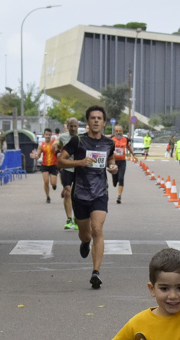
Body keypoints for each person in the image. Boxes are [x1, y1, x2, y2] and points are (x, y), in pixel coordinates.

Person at [59, 105, 117, 289]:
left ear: (104, 122)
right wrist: (80, 162)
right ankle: (85, 243)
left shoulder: (109, 143)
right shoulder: (78, 141)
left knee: (97, 229)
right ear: (88, 121)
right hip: (80, 194)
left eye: (99, 118)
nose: (96, 121)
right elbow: (60, 160)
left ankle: (96, 272)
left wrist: (113, 167)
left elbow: (111, 159)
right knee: (86, 234)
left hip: (100, 193)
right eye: (93, 118)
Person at [57, 118, 80, 231]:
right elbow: (59, 148)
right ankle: (69, 219)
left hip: (78, 169)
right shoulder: (63, 137)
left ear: (78, 126)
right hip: (66, 169)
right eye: (71, 126)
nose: (73, 128)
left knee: (77, 195)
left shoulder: (82, 137)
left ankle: (77, 219)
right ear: (68, 126)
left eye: (75, 126)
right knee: (67, 192)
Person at [30, 129, 59, 204]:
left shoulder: (54, 143)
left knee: (53, 183)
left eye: (49, 135)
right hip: (45, 165)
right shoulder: (41, 145)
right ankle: (48, 197)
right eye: (46, 135)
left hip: (53, 165)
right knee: (46, 181)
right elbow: (38, 156)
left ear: (51, 135)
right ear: (44, 135)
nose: (48, 136)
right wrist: (35, 156)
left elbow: (58, 149)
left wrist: (56, 148)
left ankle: (54, 185)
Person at [111, 124, 133, 204]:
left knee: (121, 178)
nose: (118, 132)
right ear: (114, 132)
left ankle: (119, 196)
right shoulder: (111, 139)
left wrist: (133, 154)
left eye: (120, 131)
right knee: (115, 180)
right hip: (113, 161)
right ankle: (114, 180)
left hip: (122, 161)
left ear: (122, 131)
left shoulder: (125, 139)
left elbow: (128, 147)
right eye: (117, 131)